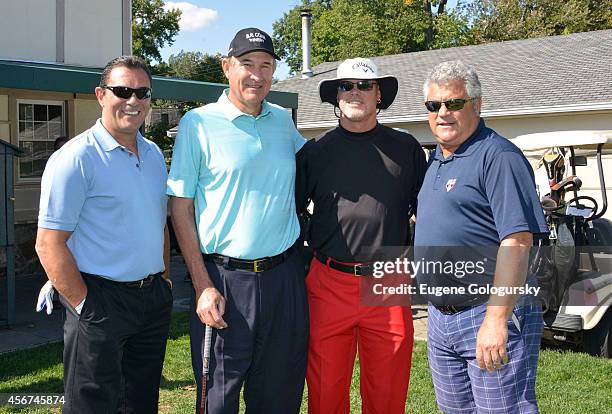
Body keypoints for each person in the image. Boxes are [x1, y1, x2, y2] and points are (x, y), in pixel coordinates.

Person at [167, 27, 308, 414]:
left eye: (266, 66)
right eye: (247, 64)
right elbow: (180, 207)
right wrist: (201, 285)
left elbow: (319, 170)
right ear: (227, 66)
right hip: (225, 281)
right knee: (218, 400)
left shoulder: (283, 121)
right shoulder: (198, 123)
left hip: (284, 279)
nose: (257, 75)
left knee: (279, 396)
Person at [35, 55, 172, 413]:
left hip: (151, 299)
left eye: (142, 93)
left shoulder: (155, 155)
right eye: (123, 90)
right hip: (100, 300)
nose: (133, 101)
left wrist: (165, 282)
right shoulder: (75, 158)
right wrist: (85, 306)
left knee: (141, 403)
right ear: (100, 95)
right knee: (92, 405)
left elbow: (158, 223)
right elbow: (48, 243)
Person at [414, 60, 548, 413]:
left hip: (485, 311)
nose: (443, 113)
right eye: (434, 105)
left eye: (453, 103)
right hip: (441, 318)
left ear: (476, 104)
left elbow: (518, 241)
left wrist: (496, 319)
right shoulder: (438, 160)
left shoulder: (498, 156)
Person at [296, 57, 426, 413]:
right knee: (325, 391)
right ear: (335, 97)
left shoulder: (407, 149)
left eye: (364, 85)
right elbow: (291, 212)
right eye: (346, 86)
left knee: (387, 392)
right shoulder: (315, 152)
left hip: (387, 280)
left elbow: (428, 212)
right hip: (328, 280)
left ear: (378, 93)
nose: (355, 92)